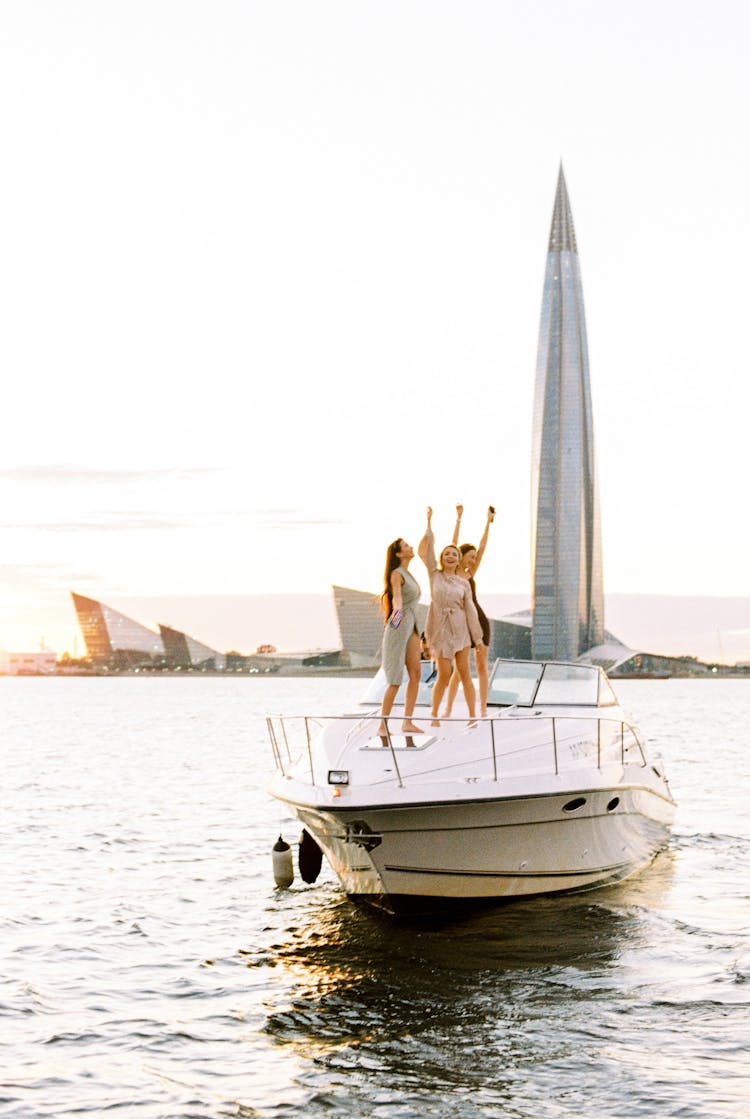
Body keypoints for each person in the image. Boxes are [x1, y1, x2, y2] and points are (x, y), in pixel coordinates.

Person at [418, 506, 484, 725]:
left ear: (458, 559)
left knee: (464, 672)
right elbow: (427, 550)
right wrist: (429, 521)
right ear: (441, 558)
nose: (450, 556)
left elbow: (471, 611)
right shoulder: (434, 575)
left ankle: (473, 716)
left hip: (461, 630)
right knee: (444, 673)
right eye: (447, 554)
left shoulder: (464, 582)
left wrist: (478, 639)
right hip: (439, 629)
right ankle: (434, 714)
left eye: (454, 554)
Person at [442, 503, 495, 718]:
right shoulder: (451, 573)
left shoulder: (470, 573)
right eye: (469, 556)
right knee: (459, 669)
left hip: (478, 621)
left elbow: (482, 548)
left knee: (481, 666)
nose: (473, 559)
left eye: (474, 558)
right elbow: (452, 544)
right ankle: (447, 709)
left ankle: (483, 709)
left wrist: (488, 522)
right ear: (460, 556)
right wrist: (459, 518)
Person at [378, 537, 423, 745]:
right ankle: (382, 725)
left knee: (415, 672)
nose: (410, 547)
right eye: (406, 546)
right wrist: (395, 618)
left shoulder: (409, 573)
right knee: (395, 678)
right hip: (399, 622)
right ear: (398, 554)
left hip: (412, 624)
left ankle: (407, 721)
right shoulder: (397, 574)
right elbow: (397, 597)